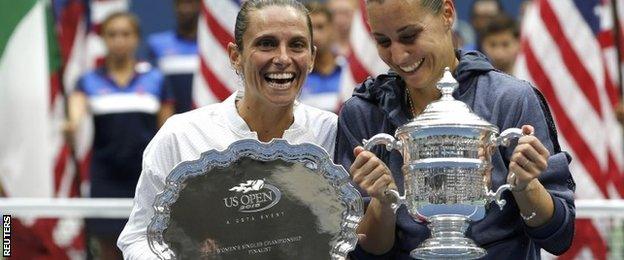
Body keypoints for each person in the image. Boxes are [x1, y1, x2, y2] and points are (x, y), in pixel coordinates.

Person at [334, 0, 575, 259]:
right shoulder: (363, 113)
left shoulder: (511, 100)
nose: (399, 55)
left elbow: (559, 236)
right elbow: (360, 253)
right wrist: (383, 204)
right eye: (383, 42)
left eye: (409, 36)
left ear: (447, 14)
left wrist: (526, 187)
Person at [117, 0, 337, 258]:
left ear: (311, 57)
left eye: (296, 45)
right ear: (235, 56)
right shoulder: (181, 136)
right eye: (266, 43)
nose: (283, 58)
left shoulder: (331, 132)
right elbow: (140, 237)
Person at [64, 12, 174, 259]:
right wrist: (71, 125)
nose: (119, 40)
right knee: (108, 250)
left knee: (149, 248)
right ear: (103, 38)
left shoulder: (155, 79)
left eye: (126, 34)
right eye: (112, 34)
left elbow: (168, 131)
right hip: (105, 177)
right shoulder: (88, 81)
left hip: (147, 176)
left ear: (136, 38)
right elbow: (76, 113)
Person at [146, 0, 200, 113]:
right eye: (180, 3)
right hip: (170, 120)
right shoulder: (157, 44)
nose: (185, 9)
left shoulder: (211, 47)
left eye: (190, 3)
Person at [300, 2, 349, 112]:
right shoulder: (297, 75)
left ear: (332, 29)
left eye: (320, 27)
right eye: (310, 29)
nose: (315, 35)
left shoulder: (349, 69)